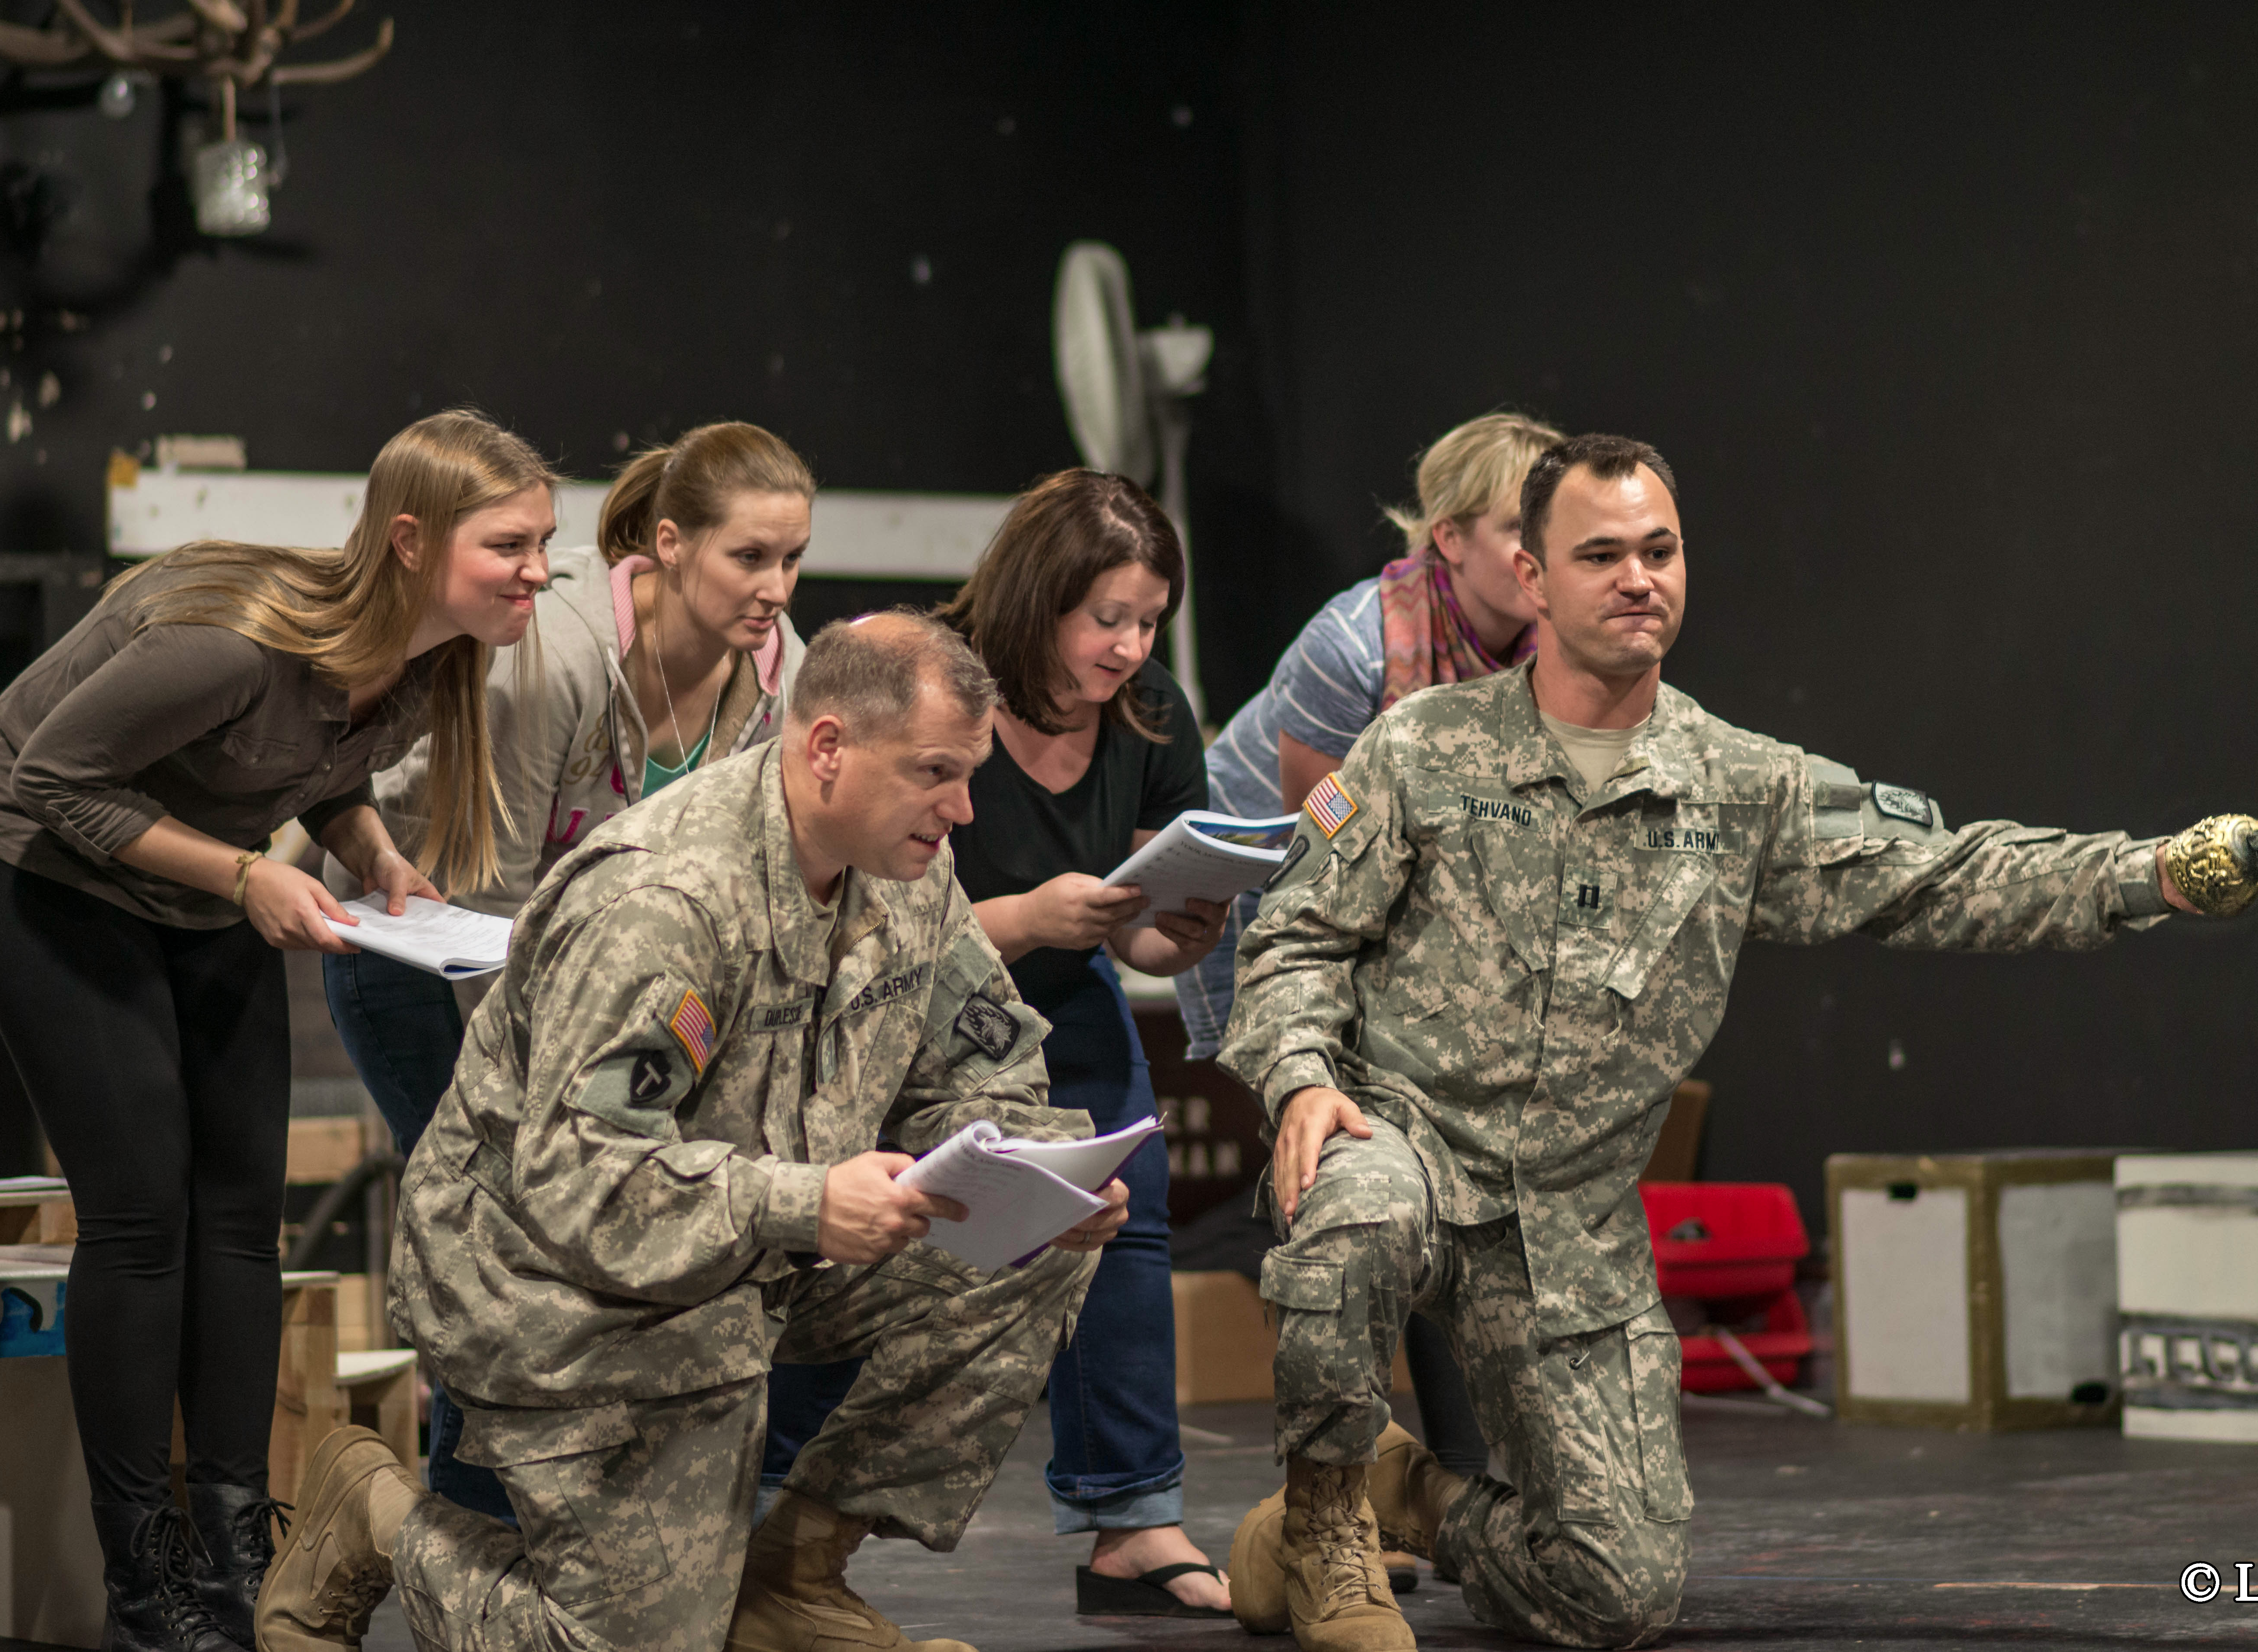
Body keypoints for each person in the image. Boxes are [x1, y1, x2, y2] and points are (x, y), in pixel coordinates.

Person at [1220, 433, 2258, 1652]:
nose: (1638, 577)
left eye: (1659, 550)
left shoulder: (1741, 788)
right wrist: (1303, 1076)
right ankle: (1321, 1532)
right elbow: (1293, 937)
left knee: (1615, 1599)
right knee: (1348, 1214)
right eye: (1601, 554)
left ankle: (1403, 1493)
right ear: (1530, 575)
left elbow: (1941, 873)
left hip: (1567, 1223)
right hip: (1404, 1138)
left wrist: (2150, 875)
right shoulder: (1422, 749)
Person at [256, 614, 1122, 1652]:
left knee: (1024, 1252)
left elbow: (984, 1067)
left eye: (968, 773)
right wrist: (806, 1203)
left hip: (748, 1256)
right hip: (555, 1289)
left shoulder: (908, 868)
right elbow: (579, 1179)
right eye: (936, 770)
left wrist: (1038, 1174)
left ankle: (792, 1576)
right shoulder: (665, 900)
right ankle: (376, 1516)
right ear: (829, 747)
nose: (964, 807)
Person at [0, 410, 556, 1652]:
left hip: (200, 872)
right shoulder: (232, 648)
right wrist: (240, 881)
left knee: (240, 1212)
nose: (539, 571)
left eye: (546, 545)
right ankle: (143, 1580)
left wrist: (378, 856)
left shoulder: (434, 664)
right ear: (409, 540)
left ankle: (231, 1558)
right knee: (141, 1212)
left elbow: (317, 773)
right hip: (43, 865)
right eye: (511, 544)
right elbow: (49, 782)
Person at [319, 420, 813, 1523]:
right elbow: (480, 913)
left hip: (584, 996)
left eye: (793, 560)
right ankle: (464, 1521)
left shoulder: (780, 674)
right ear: (672, 545)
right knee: (498, 1227)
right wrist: (553, 1114)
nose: (776, 587)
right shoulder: (551, 657)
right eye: (750, 559)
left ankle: (604, 1524)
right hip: (425, 958)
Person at [765, 469, 1235, 1615]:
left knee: (1120, 1203)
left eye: (1148, 619)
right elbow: (848, 919)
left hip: (1062, 998)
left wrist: (1179, 931)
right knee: (860, 1235)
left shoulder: (1149, 709)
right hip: (891, 1010)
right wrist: (1024, 916)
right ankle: (768, 1501)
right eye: (1105, 618)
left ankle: (1130, 1514)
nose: (1129, 645)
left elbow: (1150, 930)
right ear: (1038, 600)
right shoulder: (932, 687)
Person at [1185, 411, 1563, 1521]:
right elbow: (1324, 861)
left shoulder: (1553, 635)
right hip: (1280, 908)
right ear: (1448, 538)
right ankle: (1336, 1497)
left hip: (1437, 915)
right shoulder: (1354, 648)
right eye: (1516, 528)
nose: (1542, 552)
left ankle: (1466, 1474)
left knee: (1458, 1171)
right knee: (1347, 1182)